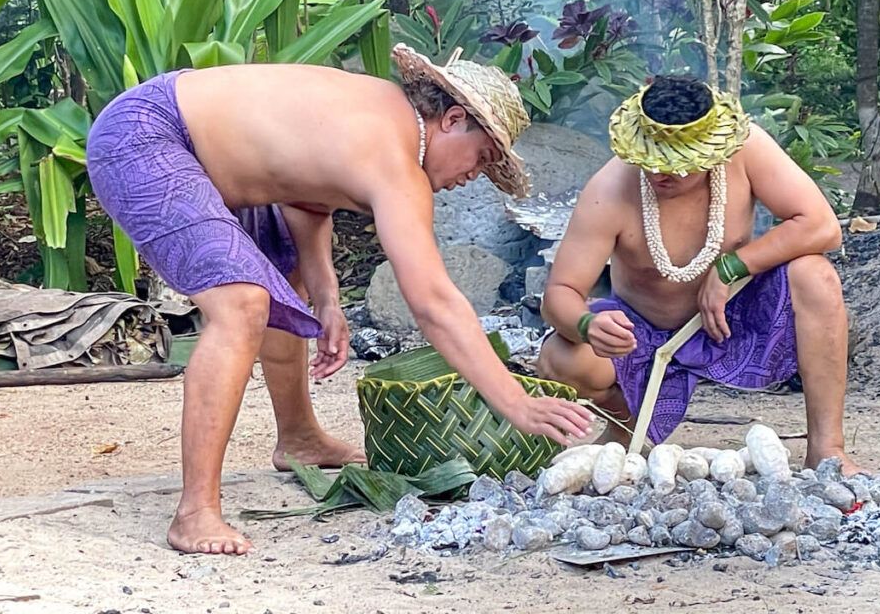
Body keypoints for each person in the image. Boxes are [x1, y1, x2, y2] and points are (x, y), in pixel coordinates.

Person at [86, 45, 592, 555]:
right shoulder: (397, 160)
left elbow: (305, 191)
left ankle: (300, 437)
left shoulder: (378, 116)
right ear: (453, 119)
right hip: (147, 139)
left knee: (287, 284)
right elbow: (434, 302)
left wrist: (326, 295)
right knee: (242, 306)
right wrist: (516, 403)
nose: (472, 176)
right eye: (481, 157)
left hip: (179, 138)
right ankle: (194, 513)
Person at [536, 75, 861, 475]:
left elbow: (822, 227)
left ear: (711, 153)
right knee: (560, 358)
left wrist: (730, 267)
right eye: (650, 160)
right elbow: (559, 295)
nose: (658, 173)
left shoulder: (747, 150)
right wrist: (588, 324)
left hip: (735, 318)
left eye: (674, 164)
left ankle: (827, 449)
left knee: (816, 275)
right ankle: (631, 426)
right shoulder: (610, 189)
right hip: (642, 336)